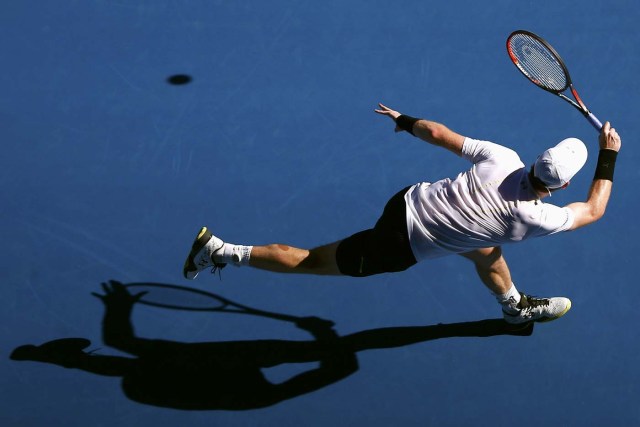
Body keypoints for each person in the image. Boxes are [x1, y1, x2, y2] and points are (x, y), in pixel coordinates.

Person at [183, 103, 621, 325]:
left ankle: (513, 306)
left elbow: (436, 132)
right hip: (403, 243)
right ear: (562, 185)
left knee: (486, 249)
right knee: (311, 261)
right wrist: (608, 155)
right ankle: (222, 250)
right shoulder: (535, 220)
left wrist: (403, 118)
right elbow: (593, 209)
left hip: (408, 202)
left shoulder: (503, 156)